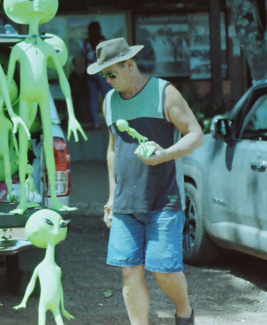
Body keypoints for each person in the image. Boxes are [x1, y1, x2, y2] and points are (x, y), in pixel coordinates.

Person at [89, 37, 203, 325]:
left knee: (163, 269)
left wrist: (165, 154)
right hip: (126, 201)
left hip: (165, 198)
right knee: (129, 269)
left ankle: (184, 312)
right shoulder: (110, 102)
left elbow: (195, 134)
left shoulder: (164, 93)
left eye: (111, 73)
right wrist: (112, 196)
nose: (108, 80)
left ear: (130, 64)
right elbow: (114, 149)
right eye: (104, 76)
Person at [83, 21, 112, 125]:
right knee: (107, 96)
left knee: (93, 98)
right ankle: (109, 120)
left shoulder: (86, 42)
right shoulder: (103, 41)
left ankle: (95, 123)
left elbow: (85, 56)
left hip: (90, 71)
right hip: (101, 71)